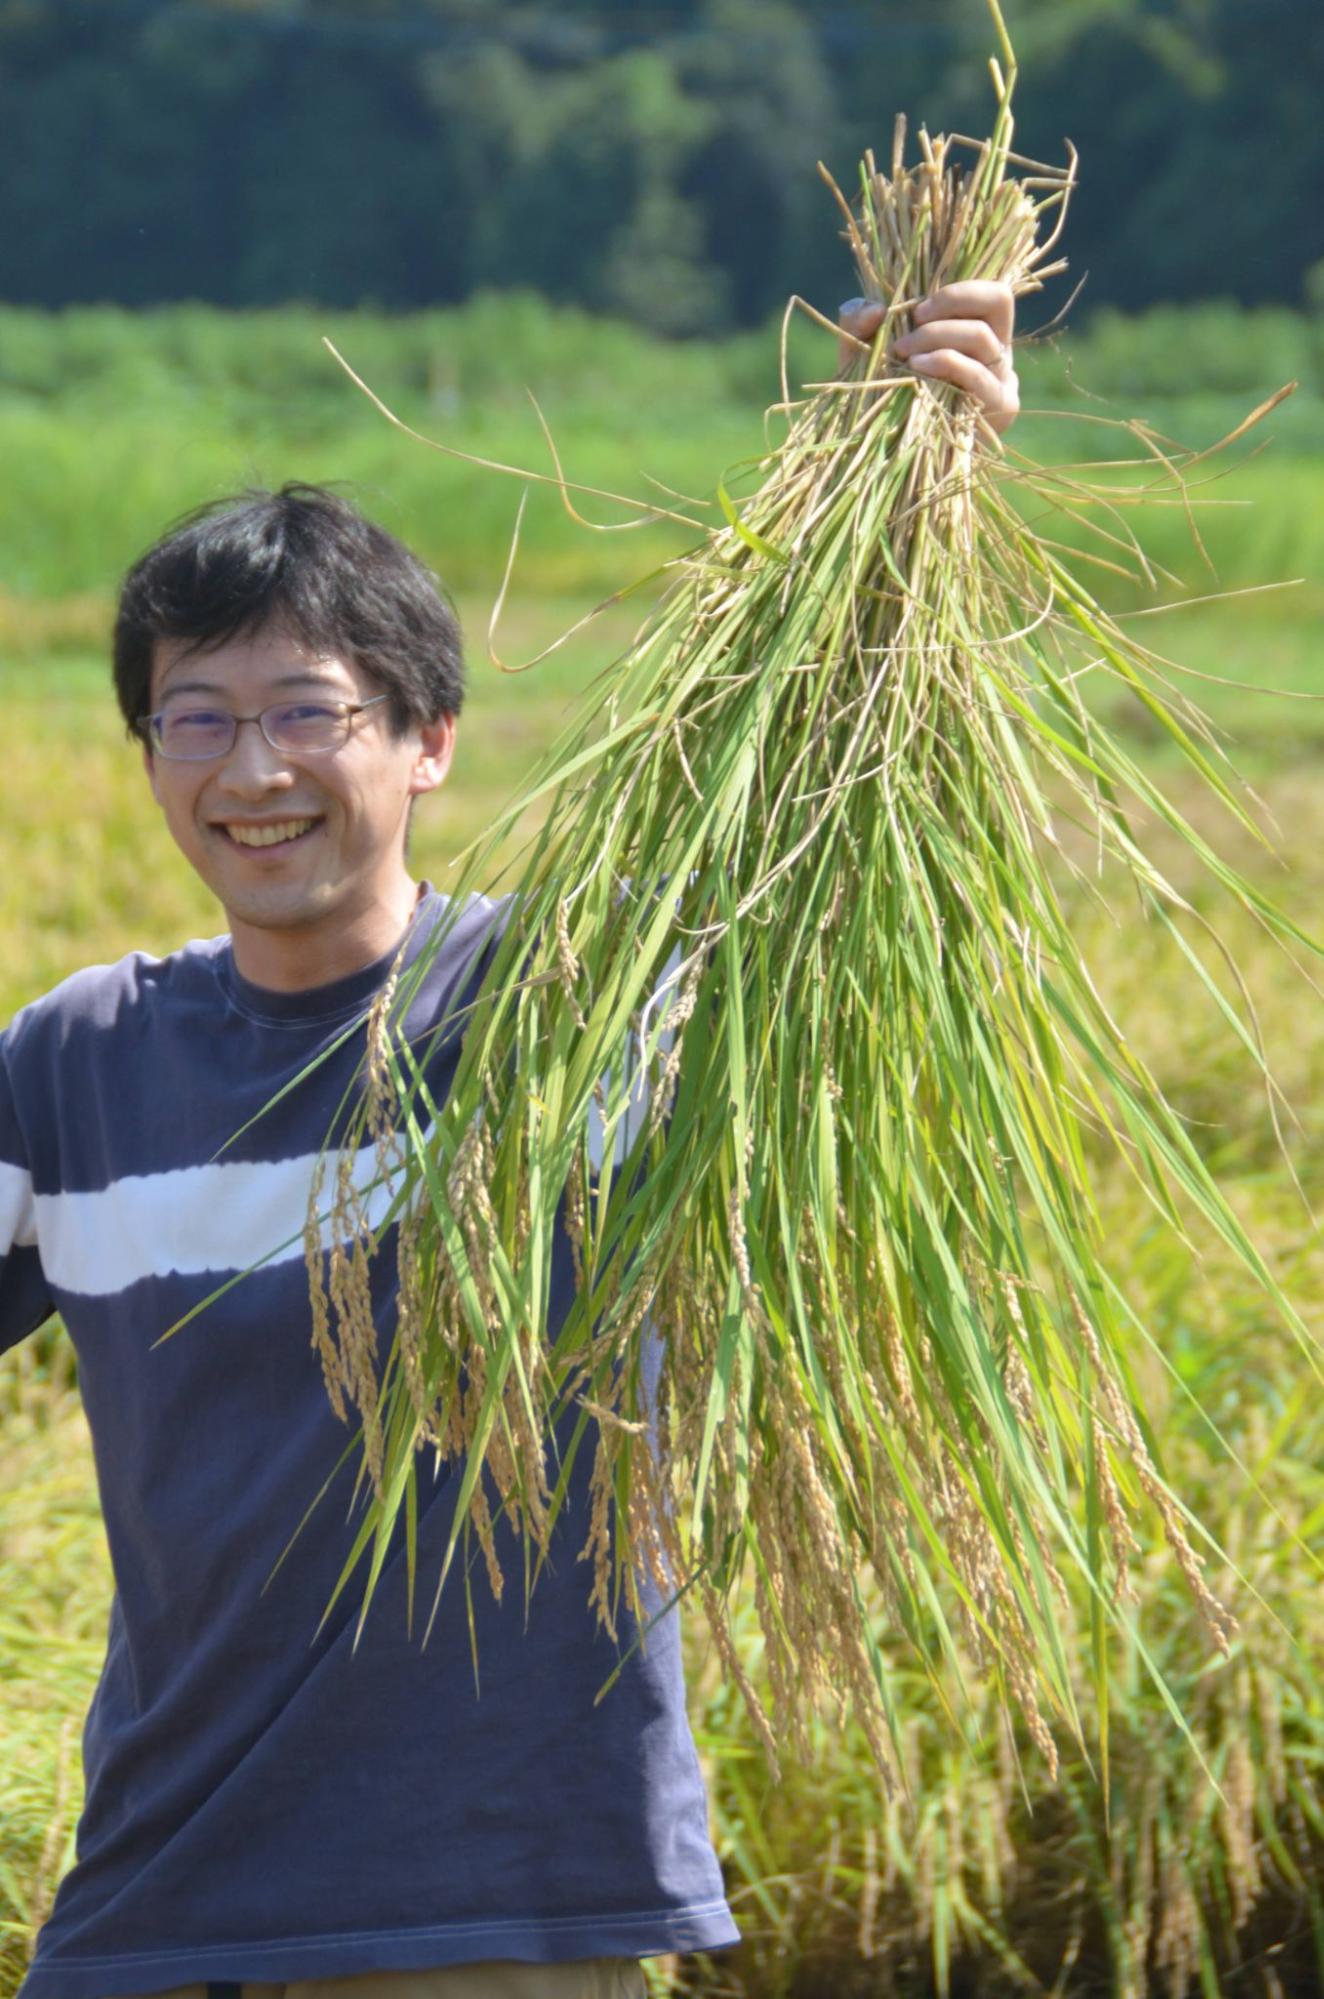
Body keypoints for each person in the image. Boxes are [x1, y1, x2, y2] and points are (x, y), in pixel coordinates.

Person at [0, 283, 1018, 1999]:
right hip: (157, 1916)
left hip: (499, 1913)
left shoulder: (584, 1004)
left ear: (427, 741)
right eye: (198, 717)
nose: (253, 770)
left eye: (309, 710)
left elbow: (843, 844)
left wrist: (920, 476)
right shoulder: (79, 1063)